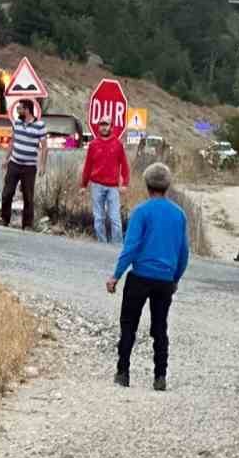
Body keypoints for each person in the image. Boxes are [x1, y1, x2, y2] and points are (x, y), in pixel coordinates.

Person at [106, 162, 189, 392]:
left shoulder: (141, 212)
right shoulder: (179, 215)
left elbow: (130, 247)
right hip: (165, 280)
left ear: (147, 185)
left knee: (129, 325)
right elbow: (183, 253)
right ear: (168, 185)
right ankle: (160, 376)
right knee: (160, 328)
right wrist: (175, 279)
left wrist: (116, 275)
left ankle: (123, 372)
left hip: (140, 276)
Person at [79, 117, 130, 243]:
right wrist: (83, 185)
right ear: (98, 126)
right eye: (101, 124)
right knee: (98, 218)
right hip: (96, 185)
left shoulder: (118, 144)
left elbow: (124, 165)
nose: (103, 127)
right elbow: (88, 166)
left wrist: (125, 183)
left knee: (115, 218)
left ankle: (117, 246)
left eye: (106, 124)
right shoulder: (93, 145)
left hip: (113, 186)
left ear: (111, 127)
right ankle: (102, 245)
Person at [1, 99, 47, 230]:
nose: (17, 111)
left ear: (27, 110)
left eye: (19, 109)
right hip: (14, 163)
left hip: (29, 166)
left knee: (28, 195)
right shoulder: (17, 123)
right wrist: (6, 159)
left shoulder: (40, 126)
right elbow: (12, 142)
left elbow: (44, 147)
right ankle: (4, 219)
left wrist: (42, 165)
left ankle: (27, 224)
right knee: (7, 192)